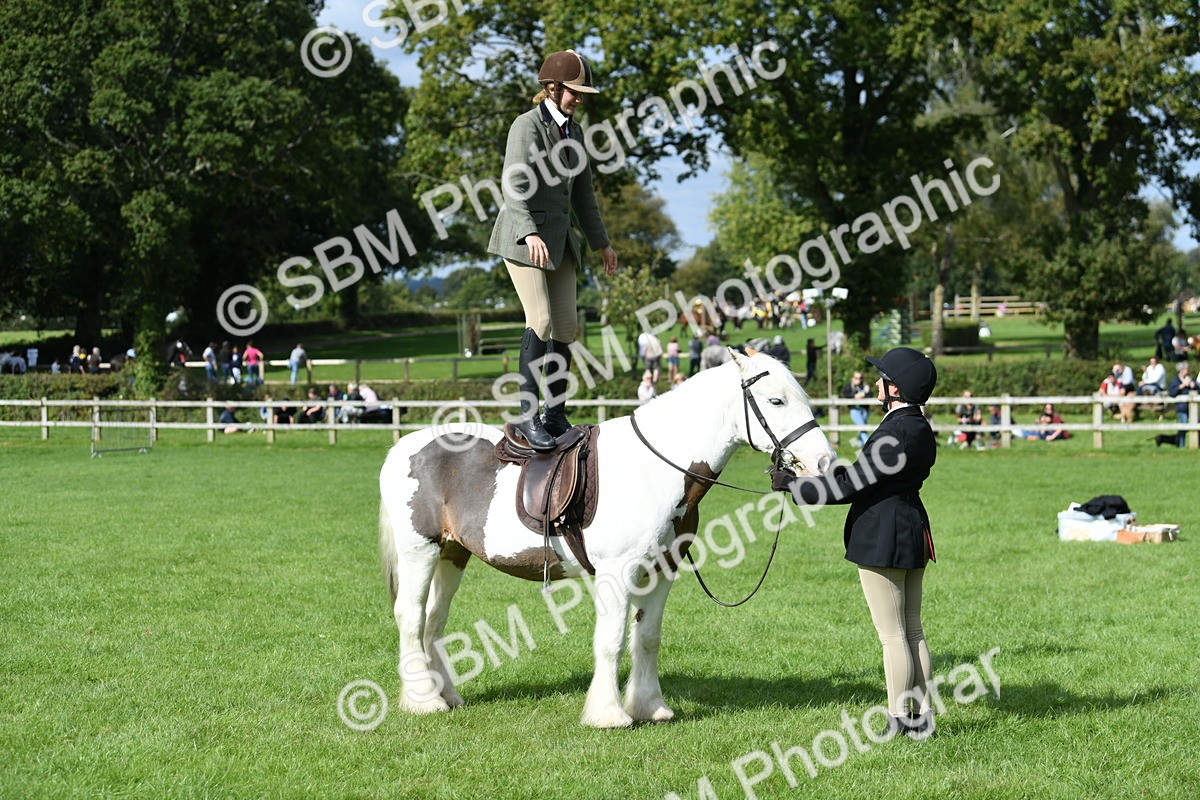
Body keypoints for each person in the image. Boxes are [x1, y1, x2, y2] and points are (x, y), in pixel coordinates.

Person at [772, 347, 939, 738]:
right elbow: (864, 477)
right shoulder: (919, 427)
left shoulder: (894, 432)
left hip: (883, 533)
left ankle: (899, 720)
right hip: (911, 526)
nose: (877, 382)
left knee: (893, 635)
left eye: (883, 377)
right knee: (913, 630)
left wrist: (795, 487)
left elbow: (850, 485)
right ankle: (923, 718)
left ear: (894, 388)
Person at [487, 49, 618, 452]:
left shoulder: (574, 134)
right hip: (523, 239)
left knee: (566, 327)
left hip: (560, 243)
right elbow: (513, 185)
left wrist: (602, 243)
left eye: (581, 93)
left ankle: (555, 413)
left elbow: (583, 196)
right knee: (540, 318)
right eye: (573, 92)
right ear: (552, 87)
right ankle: (527, 415)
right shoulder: (525, 127)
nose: (579, 99)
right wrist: (529, 234)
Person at [1168, 362, 1196, 448]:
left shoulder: (1190, 379)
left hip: (1192, 408)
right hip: (1181, 407)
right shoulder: (1175, 380)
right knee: (1183, 426)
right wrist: (1182, 386)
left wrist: (1194, 385)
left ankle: (1195, 444)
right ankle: (1181, 445)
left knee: (1194, 426)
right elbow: (1172, 392)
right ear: (1182, 370)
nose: (1188, 370)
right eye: (1187, 369)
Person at [842, 370, 871, 447]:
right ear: (853, 378)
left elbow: (870, 395)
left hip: (865, 410)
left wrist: (865, 393)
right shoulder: (849, 386)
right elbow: (845, 394)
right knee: (862, 426)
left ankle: (858, 443)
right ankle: (867, 444)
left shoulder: (865, 386)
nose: (858, 379)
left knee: (861, 427)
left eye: (860, 378)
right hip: (854, 410)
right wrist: (855, 396)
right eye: (856, 378)